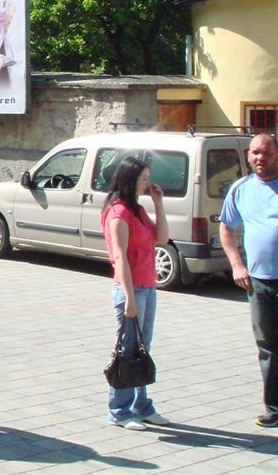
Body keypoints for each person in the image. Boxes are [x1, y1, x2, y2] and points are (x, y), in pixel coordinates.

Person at [100, 155, 170, 430]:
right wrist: (129, 298)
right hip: (130, 289)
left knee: (143, 348)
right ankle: (118, 409)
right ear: (130, 180)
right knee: (127, 350)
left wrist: (158, 203)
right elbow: (120, 259)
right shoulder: (118, 213)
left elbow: (162, 238)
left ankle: (141, 406)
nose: (148, 183)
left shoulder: (137, 209)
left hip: (148, 286)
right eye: (144, 179)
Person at [219, 133, 278, 428]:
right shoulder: (241, 189)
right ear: (248, 156)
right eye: (255, 153)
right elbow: (226, 229)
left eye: (266, 152)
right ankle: (274, 408)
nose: (260, 157)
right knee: (267, 345)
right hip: (257, 283)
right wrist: (236, 265)